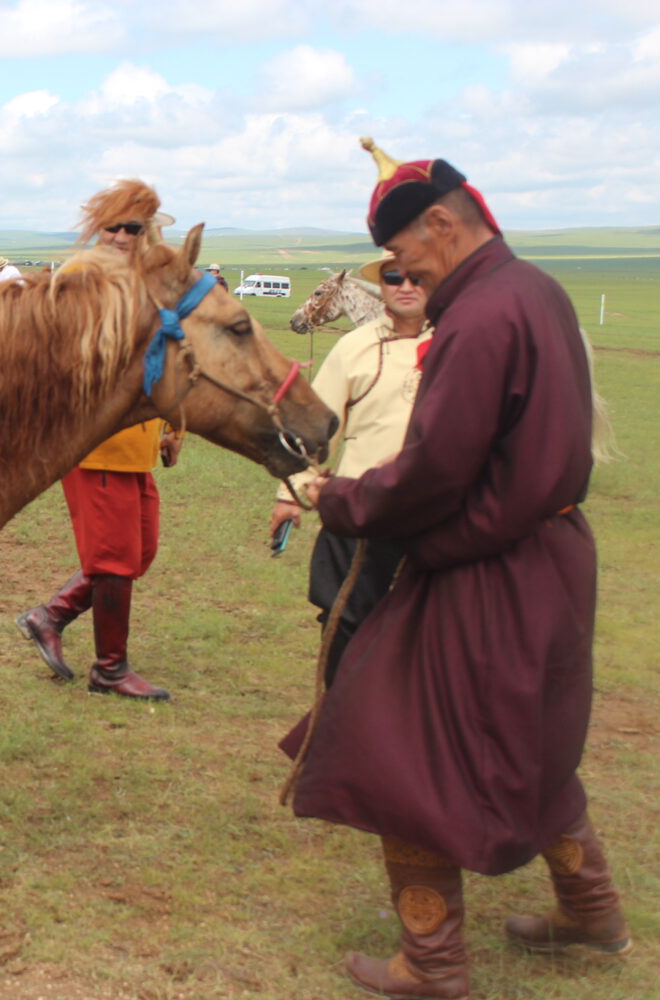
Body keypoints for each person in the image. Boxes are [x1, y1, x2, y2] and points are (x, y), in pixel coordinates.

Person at [284, 138, 630, 999]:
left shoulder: (479, 317)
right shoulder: (536, 290)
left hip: (487, 569)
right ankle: (592, 911)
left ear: (440, 224)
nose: (404, 273)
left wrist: (341, 499)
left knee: (393, 745)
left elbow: (437, 468)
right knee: (533, 744)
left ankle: (432, 962)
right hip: (548, 556)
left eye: (404, 256)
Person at [15, 180, 180, 701]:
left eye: (137, 227)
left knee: (139, 552)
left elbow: (163, 355)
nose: (126, 236)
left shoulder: (147, 277)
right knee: (114, 560)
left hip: (138, 440)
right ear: (99, 227)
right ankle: (110, 668)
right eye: (117, 226)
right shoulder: (83, 275)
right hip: (97, 439)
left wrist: (174, 423)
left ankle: (52, 614)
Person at [268, 248, 430, 686]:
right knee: (345, 623)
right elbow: (313, 431)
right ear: (383, 285)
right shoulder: (353, 347)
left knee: (429, 634)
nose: (407, 285)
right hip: (360, 510)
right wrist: (291, 494)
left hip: (437, 518)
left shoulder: (462, 343)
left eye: (418, 275)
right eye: (395, 276)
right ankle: (338, 724)